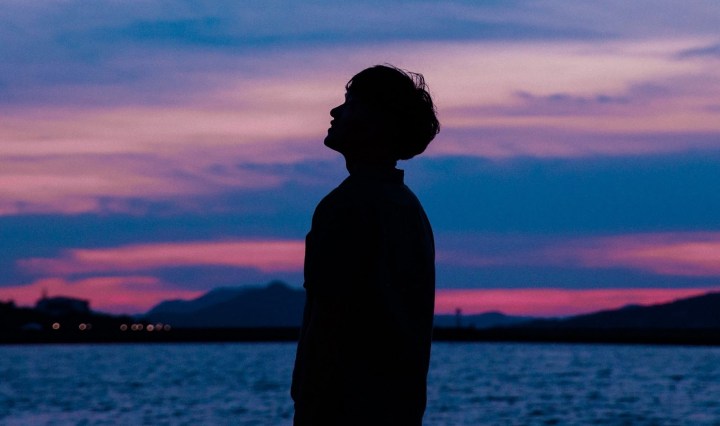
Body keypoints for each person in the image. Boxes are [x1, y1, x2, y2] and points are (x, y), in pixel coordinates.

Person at [291, 65, 440, 426]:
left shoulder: (348, 206)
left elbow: (328, 318)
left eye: (351, 104)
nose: (335, 112)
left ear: (377, 124)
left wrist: (309, 402)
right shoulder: (408, 208)